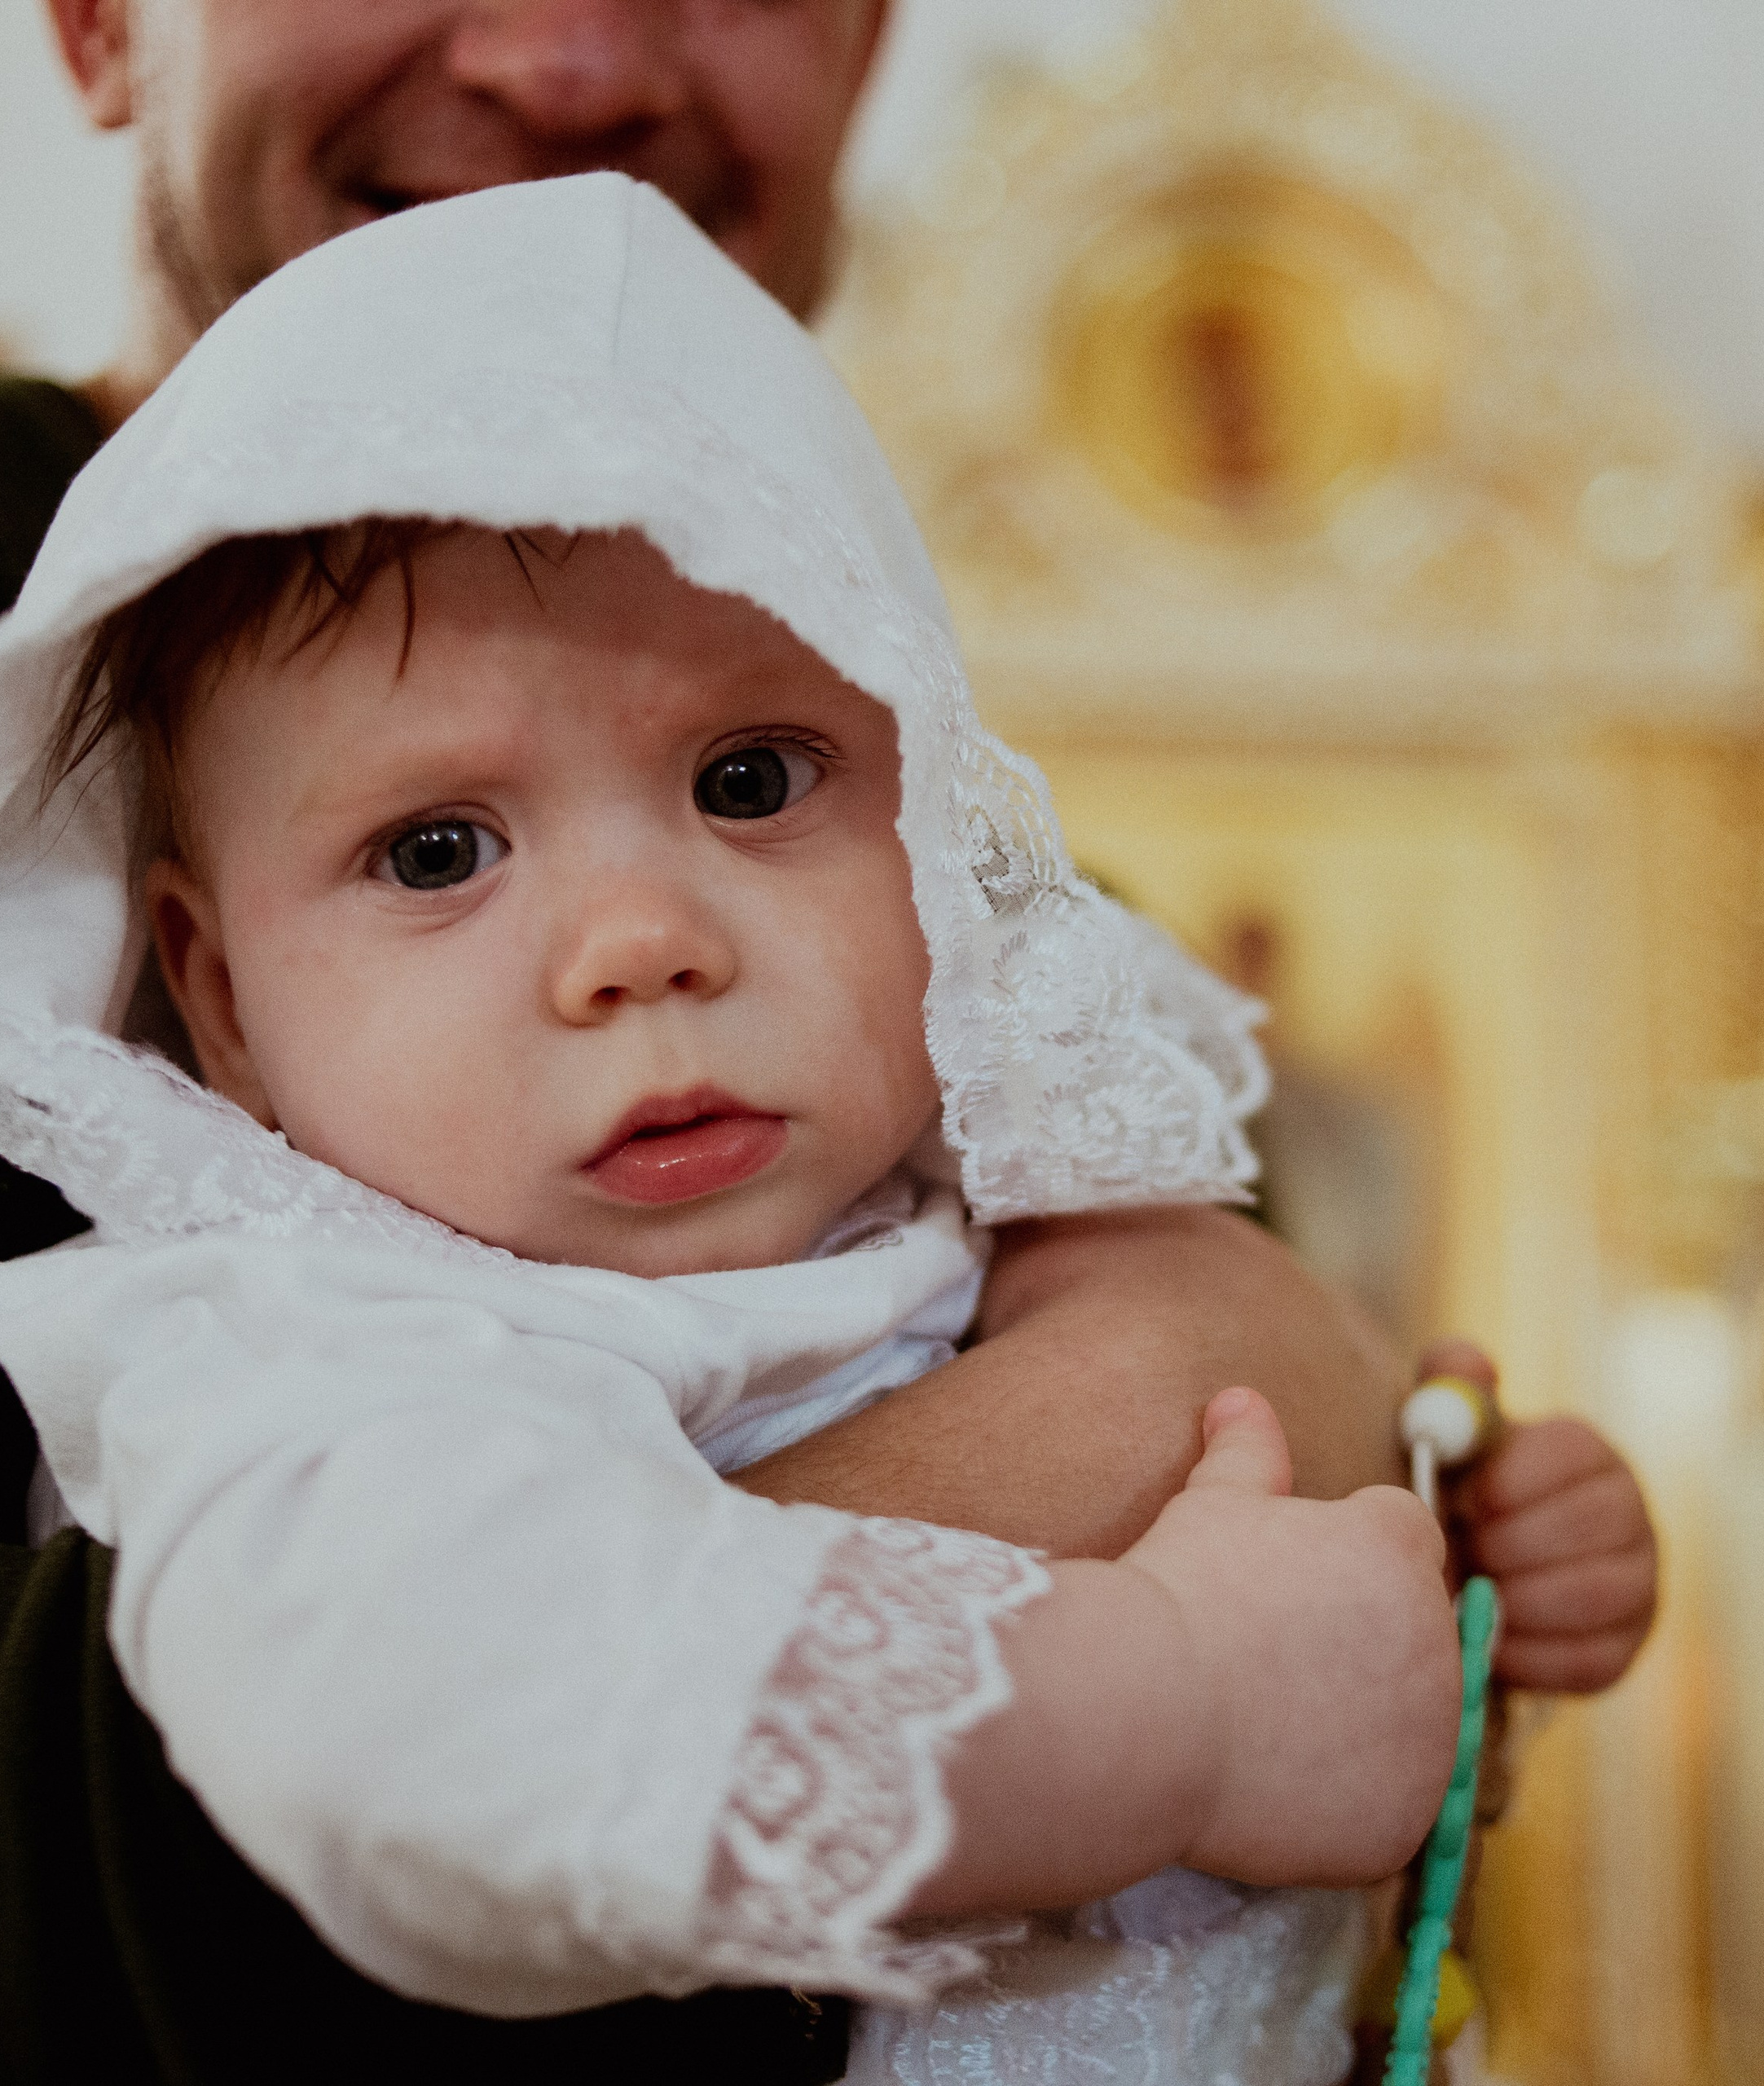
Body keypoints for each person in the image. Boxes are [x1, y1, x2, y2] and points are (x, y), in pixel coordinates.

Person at [1, 174, 1469, 2073]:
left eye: (752, 779)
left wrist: (1474, 1502)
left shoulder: (976, 1173)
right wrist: (1182, 1700)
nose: (642, 941)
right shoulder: (306, 1346)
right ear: (217, 998)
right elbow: (456, 1726)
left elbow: (1337, 1468)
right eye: (436, 849)